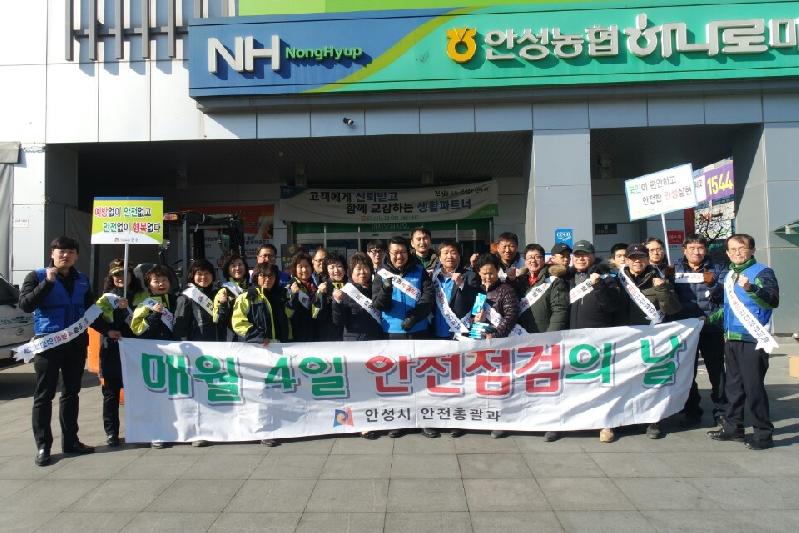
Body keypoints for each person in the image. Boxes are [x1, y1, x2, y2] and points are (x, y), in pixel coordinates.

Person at [19, 236, 98, 466]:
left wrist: (112, 329)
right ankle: (43, 446)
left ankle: (71, 441)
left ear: (77, 256)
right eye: (61, 251)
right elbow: (26, 305)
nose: (66, 255)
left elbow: (91, 311)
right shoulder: (37, 276)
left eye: (71, 252)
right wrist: (48, 283)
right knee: (44, 395)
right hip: (48, 344)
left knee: (71, 393)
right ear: (52, 254)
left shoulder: (82, 279)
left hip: (76, 344)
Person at [708, 234, 780, 450]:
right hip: (731, 338)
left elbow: (772, 300)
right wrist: (707, 320)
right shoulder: (730, 275)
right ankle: (733, 428)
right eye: (732, 249)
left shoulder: (762, 272)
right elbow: (728, 308)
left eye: (742, 248)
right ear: (727, 253)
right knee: (733, 387)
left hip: (753, 339)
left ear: (752, 250)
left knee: (753, 387)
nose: (737, 253)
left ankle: (763, 434)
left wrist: (751, 288)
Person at [616, 243, 681, 439]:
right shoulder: (618, 279)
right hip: (625, 340)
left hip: (651, 339)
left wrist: (661, 289)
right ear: (626, 260)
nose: (637, 261)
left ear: (647, 259)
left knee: (651, 382)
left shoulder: (659, 278)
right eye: (633, 258)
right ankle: (631, 418)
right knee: (628, 381)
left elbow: (672, 309)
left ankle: (654, 421)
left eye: (641, 257)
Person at [373, 236, 434, 438]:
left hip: (419, 330)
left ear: (408, 252)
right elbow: (378, 304)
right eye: (395, 253)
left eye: (403, 252)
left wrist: (415, 317)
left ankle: (424, 420)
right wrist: (385, 290)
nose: (399, 256)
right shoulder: (381, 274)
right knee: (397, 378)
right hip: (393, 332)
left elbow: (428, 298)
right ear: (389, 254)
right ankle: (399, 420)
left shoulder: (419, 271)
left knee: (421, 375)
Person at [564, 239, 622, 443]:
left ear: (593, 255)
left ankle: (606, 424)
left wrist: (598, 285)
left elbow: (612, 305)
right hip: (573, 339)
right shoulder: (567, 277)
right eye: (577, 255)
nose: (581, 258)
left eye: (585, 254)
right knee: (577, 383)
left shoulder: (607, 276)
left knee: (601, 384)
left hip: (599, 338)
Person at [512, 244, 569, 442]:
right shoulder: (519, 281)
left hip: (545, 339)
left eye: (537, 257)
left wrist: (550, 339)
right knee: (523, 383)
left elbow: (560, 310)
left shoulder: (554, 281)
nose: (533, 260)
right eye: (530, 257)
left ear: (543, 259)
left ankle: (551, 424)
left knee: (547, 384)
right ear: (525, 260)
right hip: (521, 339)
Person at [670, 235, 727, 426]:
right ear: (684, 250)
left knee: (717, 372)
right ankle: (691, 411)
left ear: (705, 250)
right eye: (692, 248)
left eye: (700, 248)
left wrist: (713, 285)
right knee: (687, 372)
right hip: (686, 330)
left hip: (711, 327)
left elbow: (727, 296)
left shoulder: (718, 267)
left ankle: (722, 411)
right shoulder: (674, 269)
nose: (696, 252)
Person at [232, 262, 290, 447]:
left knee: (278, 391)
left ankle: (279, 426)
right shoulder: (247, 297)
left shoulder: (280, 296)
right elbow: (238, 322)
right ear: (256, 277)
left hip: (279, 349)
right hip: (257, 351)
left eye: (271, 276)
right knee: (259, 393)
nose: (267, 279)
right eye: (263, 276)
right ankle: (264, 430)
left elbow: (289, 317)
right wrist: (257, 336)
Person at [332, 253, 386, 440]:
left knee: (373, 386)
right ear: (351, 272)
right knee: (354, 387)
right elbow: (338, 321)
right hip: (355, 345)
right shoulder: (345, 292)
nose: (362, 272)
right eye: (358, 269)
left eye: (366, 268)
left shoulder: (376, 290)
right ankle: (349, 422)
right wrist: (337, 302)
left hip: (376, 343)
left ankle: (372, 420)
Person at [94, 259, 144, 448]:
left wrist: (127, 311)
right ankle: (111, 432)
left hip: (135, 349)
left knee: (137, 393)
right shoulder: (105, 299)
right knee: (111, 395)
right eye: (116, 275)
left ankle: (139, 428)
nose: (121, 278)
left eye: (124, 273)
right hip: (112, 350)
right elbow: (95, 320)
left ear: (131, 275)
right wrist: (109, 328)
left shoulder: (141, 296)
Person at [472, 253, 520, 439]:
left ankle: (501, 420)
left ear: (497, 271)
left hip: (500, 343)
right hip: (480, 343)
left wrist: (497, 334)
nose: (487, 277)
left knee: (500, 383)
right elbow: (470, 315)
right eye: (484, 273)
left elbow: (511, 315)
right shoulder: (476, 290)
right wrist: (475, 319)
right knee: (481, 383)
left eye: (491, 273)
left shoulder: (505, 290)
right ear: (478, 272)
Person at [131, 265, 179, 449]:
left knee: (177, 395)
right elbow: (139, 331)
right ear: (148, 284)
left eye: (164, 280)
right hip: (155, 356)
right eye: (156, 281)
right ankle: (156, 432)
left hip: (176, 355)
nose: (161, 284)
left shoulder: (177, 300)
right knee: (157, 396)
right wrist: (155, 316)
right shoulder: (145, 305)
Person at [215, 253, 250, 341]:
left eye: (240, 264)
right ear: (228, 270)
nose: (237, 268)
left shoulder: (252, 288)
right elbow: (218, 320)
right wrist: (223, 304)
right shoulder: (223, 290)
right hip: (232, 339)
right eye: (233, 266)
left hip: (252, 336)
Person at [314, 254, 347, 341]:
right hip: (329, 335)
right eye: (332, 267)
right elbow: (316, 314)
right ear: (327, 270)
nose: (336, 270)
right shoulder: (323, 287)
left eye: (339, 266)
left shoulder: (351, 285)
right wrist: (321, 295)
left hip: (350, 333)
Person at [287, 253, 317, 342]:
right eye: (300, 267)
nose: (304, 270)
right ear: (294, 269)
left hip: (315, 332)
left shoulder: (316, 285)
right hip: (298, 334)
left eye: (307, 266)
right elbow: (288, 312)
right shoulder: (290, 286)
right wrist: (294, 295)